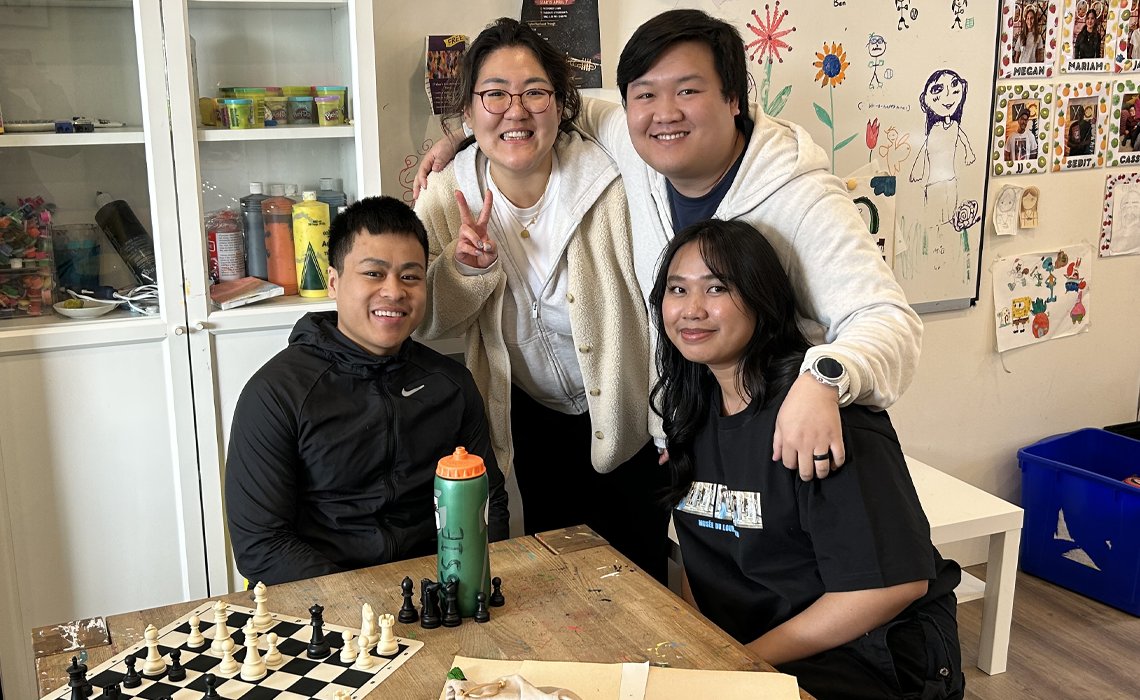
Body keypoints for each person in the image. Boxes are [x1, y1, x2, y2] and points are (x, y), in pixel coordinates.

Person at [416, 9, 924, 484]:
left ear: (733, 99)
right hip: (685, 427)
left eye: (687, 90)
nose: (664, 113)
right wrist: (460, 140)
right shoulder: (636, 150)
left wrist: (823, 381)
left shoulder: (798, 197)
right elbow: (549, 114)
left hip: (781, 430)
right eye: (644, 94)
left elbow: (888, 320)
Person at [651, 219, 964, 700]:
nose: (692, 310)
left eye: (717, 288)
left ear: (762, 297)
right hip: (759, 649)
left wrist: (742, 662)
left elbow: (891, 587)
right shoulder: (689, 414)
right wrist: (708, 648)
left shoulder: (822, 419)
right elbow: (707, 556)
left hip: (866, 651)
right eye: (678, 289)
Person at [412, 19, 668, 582]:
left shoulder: (610, 174)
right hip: (529, 417)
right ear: (469, 108)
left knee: (640, 582)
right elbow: (421, 319)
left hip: (630, 415)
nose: (516, 110)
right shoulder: (446, 195)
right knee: (558, 578)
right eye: (495, 94)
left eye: (534, 92)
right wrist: (460, 270)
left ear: (560, 102)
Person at [225, 196, 510, 586]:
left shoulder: (450, 384)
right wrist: (367, 608)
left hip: (437, 590)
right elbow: (262, 545)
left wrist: (470, 588)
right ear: (333, 282)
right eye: (374, 274)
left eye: (410, 276)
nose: (394, 292)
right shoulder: (276, 393)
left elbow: (488, 503)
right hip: (328, 603)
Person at [909, 68, 976, 225]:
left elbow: (963, 138)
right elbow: (924, 148)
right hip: (934, 183)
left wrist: (969, 152)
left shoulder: (954, 126)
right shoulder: (935, 129)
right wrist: (917, 169)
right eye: (938, 89)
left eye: (954, 86)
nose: (948, 95)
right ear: (925, 99)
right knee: (934, 220)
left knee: (950, 217)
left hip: (951, 179)